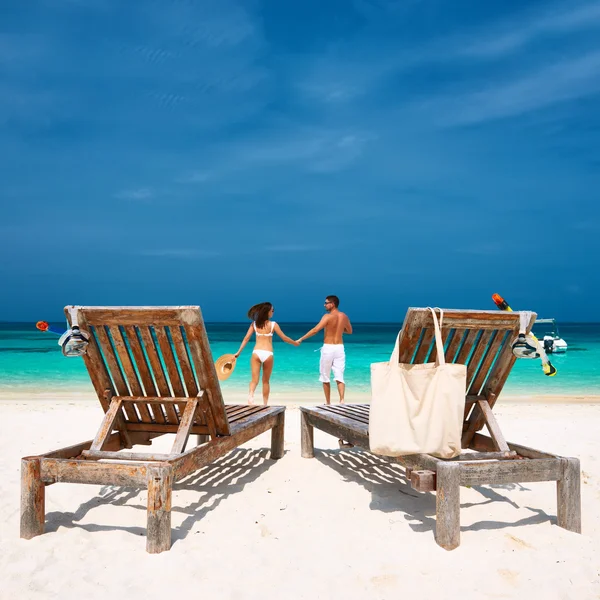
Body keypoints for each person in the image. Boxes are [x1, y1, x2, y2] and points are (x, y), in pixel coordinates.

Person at [233, 302, 299, 405]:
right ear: (268, 312)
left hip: (256, 352)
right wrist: (295, 343)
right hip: (268, 354)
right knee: (266, 381)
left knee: (254, 380)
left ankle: (251, 395)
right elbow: (284, 338)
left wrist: (238, 352)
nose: (273, 312)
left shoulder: (254, 324)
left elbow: (246, 339)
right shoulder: (273, 324)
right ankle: (265, 404)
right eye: (272, 310)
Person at [296, 295, 352, 404]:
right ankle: (342, 400)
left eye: (326, 303)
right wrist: (339, 330)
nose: (324, 305)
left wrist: (301, 338)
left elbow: (315, 330)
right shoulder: (344, 316)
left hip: (328, 348)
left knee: (325, 376)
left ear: (333, 304)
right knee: (339, 375)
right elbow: (349, 331)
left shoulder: (327, 316)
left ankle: (328, 403)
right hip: (340, 348)